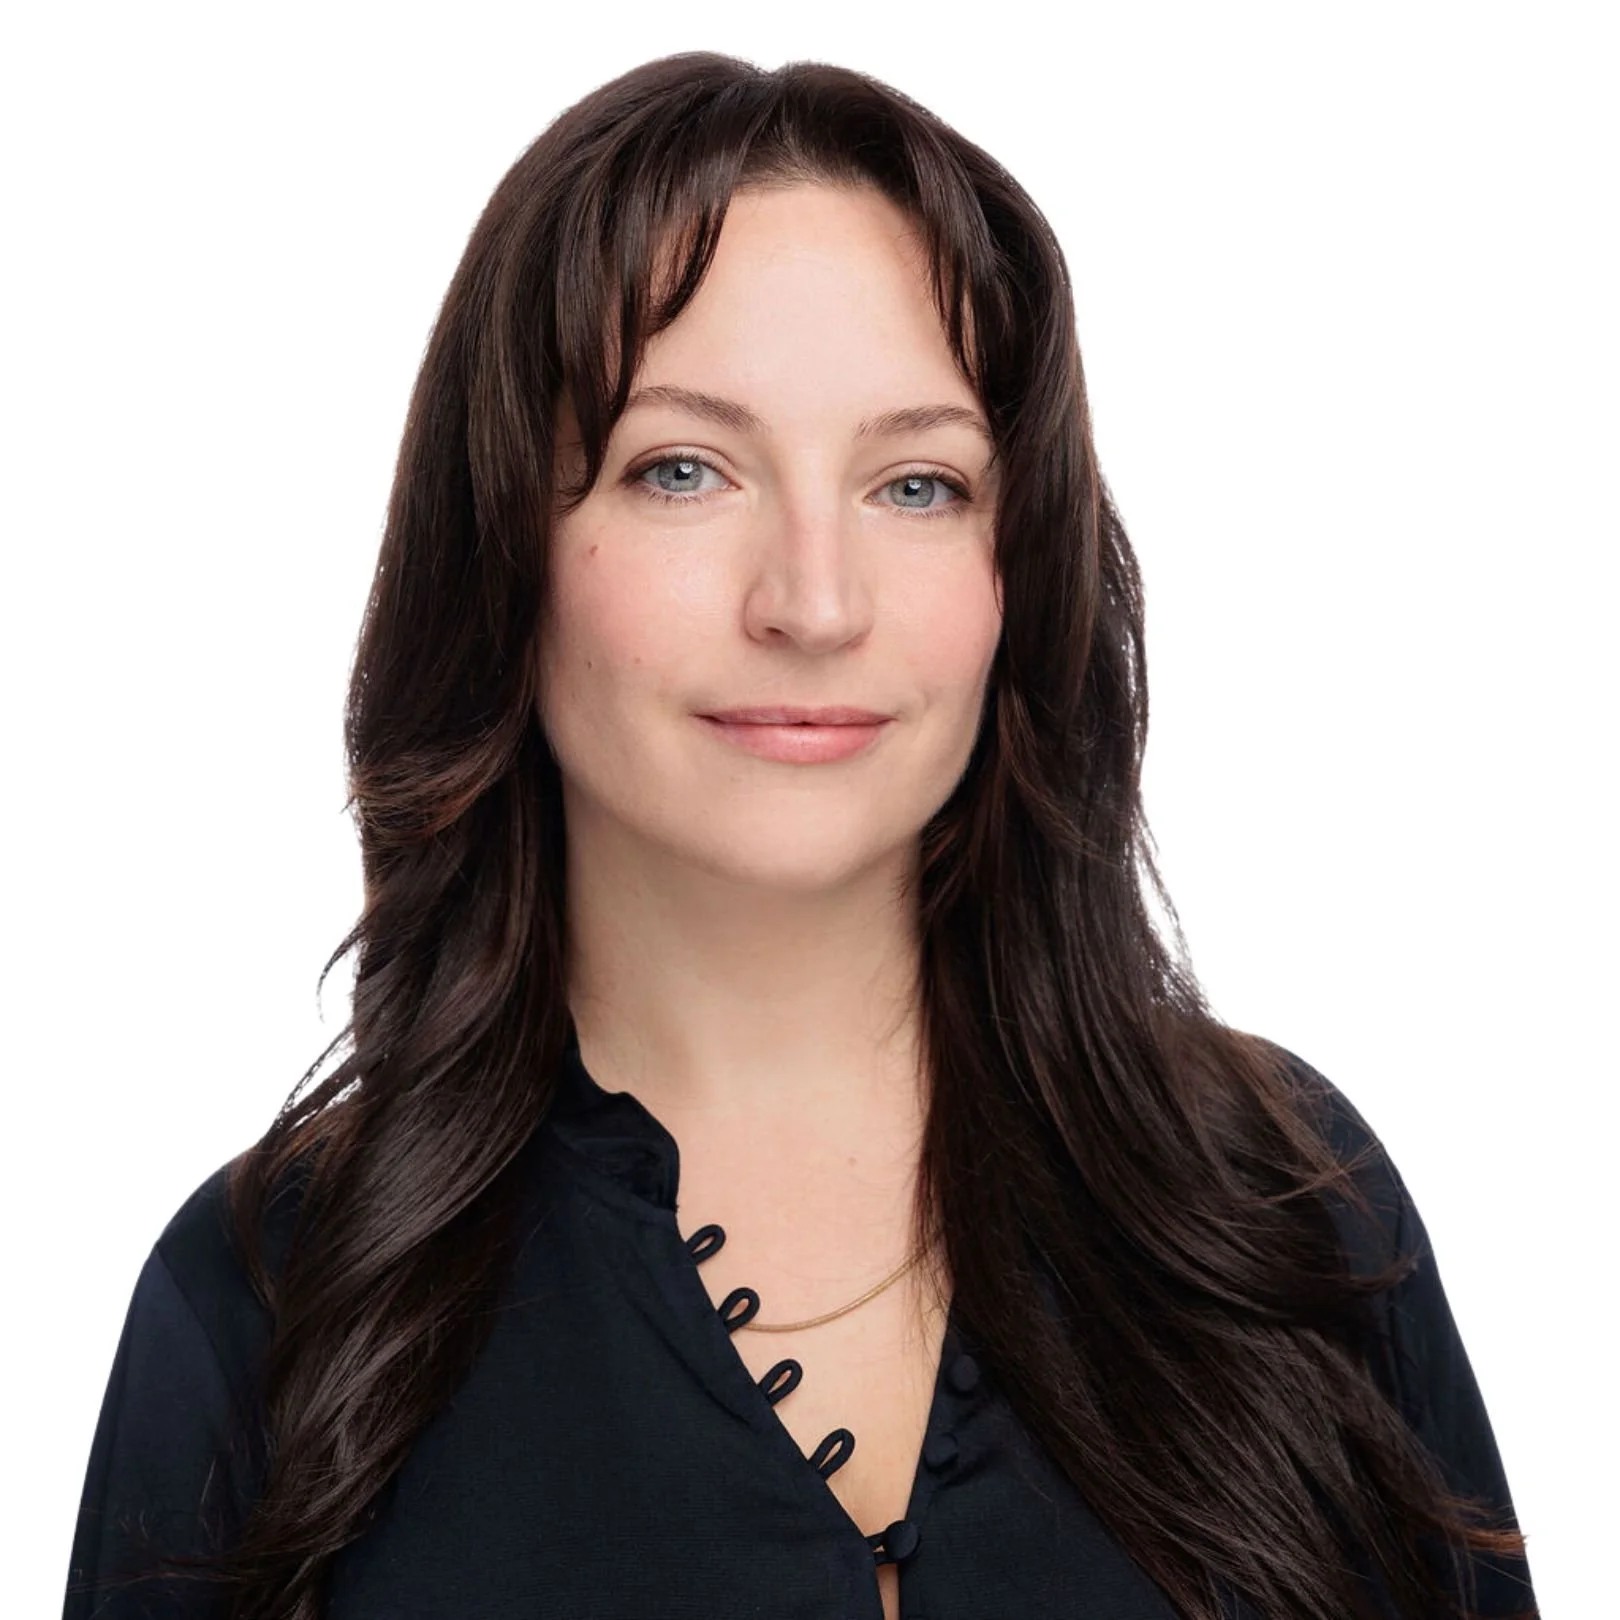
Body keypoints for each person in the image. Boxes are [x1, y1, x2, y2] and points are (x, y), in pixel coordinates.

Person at [62, 51, 1538, 1620]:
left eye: (917, 484)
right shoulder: (276, 1305)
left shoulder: (1283, 1215)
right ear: (505, 551)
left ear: (1015, 572)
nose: (815, 603)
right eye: (681, 469)